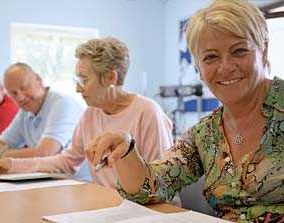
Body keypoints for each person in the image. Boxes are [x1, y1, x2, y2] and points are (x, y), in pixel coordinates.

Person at [83, 1, 284, 222]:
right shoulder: (205, 134)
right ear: (198, 68)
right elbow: (151, 188)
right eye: (210, 57)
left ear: (263, 50)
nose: (226, 67)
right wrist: (126, 149)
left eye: (239, 51)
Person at [0, 38, 177, 198]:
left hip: (147, 210)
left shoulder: (148, 112)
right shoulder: (91, 113)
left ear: (111, 78)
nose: (78, 88)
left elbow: (161, 183)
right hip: (110, 207)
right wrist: (12, 164)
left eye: (84, 80)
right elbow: (67, 161)